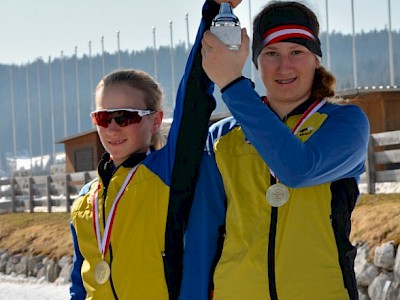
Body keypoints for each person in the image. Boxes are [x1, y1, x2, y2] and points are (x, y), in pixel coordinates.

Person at [179, 1, 370, 300]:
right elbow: (202, 235)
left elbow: (297, 169)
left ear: (316, 60)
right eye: (271, 53)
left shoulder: (344, 123)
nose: (284, 66)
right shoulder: (222, 137)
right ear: (255, 61)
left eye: (297, 52)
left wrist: (231, 83)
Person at [68, 1, 233, 299]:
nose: (113, 128)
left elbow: (193, 98)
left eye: (126, 116)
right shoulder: (84, 200)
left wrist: (213, 12)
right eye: (103, 118)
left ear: (155, 120)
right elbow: (81, 281)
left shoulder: (167, 174)